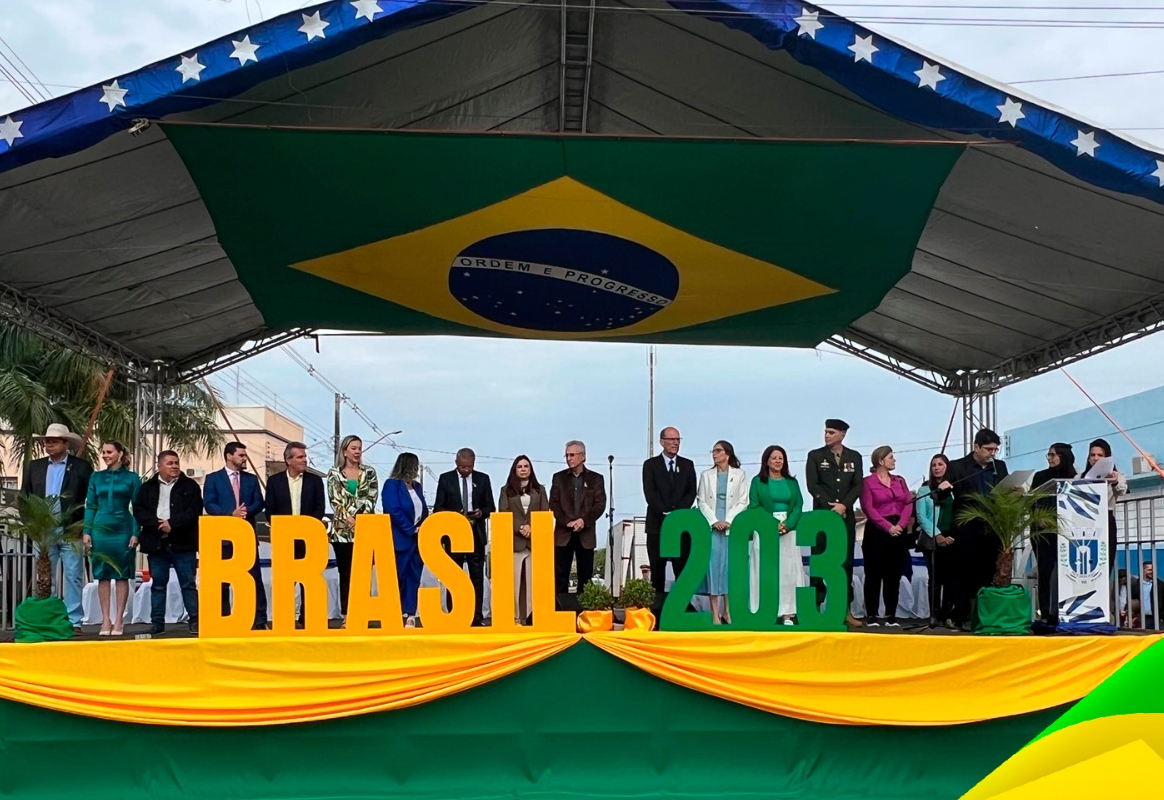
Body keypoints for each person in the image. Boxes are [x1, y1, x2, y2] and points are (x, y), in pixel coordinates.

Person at [19, 423, 94, 633]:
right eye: (47, 442)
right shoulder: (34, 467)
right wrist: (31, 525)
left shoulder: (81, 467)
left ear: (65, 443)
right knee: (44, 577)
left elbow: (91, 499)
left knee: (73, 575)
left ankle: (73, 621)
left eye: (53, 441)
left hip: (71, 529)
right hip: (43, 532)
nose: (49, 445)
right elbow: (24, 497)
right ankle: (47, 618)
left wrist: (84, 526)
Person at [134, 450, 203, 635]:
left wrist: (172, 524)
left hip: (183, 542)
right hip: (156, 542)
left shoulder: (190, 486)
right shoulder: (147, 487)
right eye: (170, 463)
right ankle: (157, 623)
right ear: (159, 466)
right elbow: (139, 511)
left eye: (176, 463)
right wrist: (158, 525)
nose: (174, 466)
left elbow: (195, 510)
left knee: (188, 584)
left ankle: (195, 621)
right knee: (158, 584)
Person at [945, 428, 1009, 628]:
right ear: (976, 447)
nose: (992, 453)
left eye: (995, 450)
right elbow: (941, 494)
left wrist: (1013, 491)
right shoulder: (958, 466)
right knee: (963, 573)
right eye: (989, 449)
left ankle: (984, 617)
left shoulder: (999, 466)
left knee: (987, 572)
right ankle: (961, 616)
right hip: (966, 527)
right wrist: (942, 489)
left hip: (991, 528)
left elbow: (1004, 492)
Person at [804, 419, 864, 627]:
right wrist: (829, 506)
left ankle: (844, 609)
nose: (827, 435)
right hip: (822, 517)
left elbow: (858, 485)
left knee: (845, 563)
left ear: (842, 435)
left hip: (845, 517)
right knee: (819, 561)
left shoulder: (854, 457)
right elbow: (812, 484)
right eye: (826, 432)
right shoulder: (815, 456)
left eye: (831, 432)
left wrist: (844, 505)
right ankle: (815, 608)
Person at [204, 441, 268, 630]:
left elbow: (259, 502)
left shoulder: (251, 479)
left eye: (244, 455)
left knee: (254, 579)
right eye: (241, 455)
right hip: (224, 538)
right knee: (222, 581)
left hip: (246, 536)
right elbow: (209, 503)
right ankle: (223, 618)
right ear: (229, 456)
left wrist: (245, 513)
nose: (244, 458)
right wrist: (230, 514)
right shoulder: (213, 478)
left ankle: (259, 619)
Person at [82, 441, 141, 637]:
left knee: (122, 574)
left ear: (120, 453)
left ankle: (119, 619)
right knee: (102, 574)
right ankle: (105, 619)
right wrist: (87, 531)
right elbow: (91, 505)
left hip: (123, 528)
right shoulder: (96, 477)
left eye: (109, 452)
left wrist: (136, 532)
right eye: (103, 452)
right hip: (100, 528)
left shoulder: (132, 478)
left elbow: (138, 507)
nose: (105, 455)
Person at [265, 441, 327, 625]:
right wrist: (284, 529)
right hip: (284, 540)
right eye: (300, 457)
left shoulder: (314, 481)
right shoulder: (274, 482)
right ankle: (285, 618)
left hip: (308, 539)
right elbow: (270, 510)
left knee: (308, 580)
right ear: (288, 460)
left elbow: (319, 508)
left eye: (304, 456)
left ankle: (308, 618)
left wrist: (306, 528)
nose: (304, 460)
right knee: (286, 581)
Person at [434, 448, 495, 626]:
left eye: (469, 467)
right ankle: (454, 614)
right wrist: (455, 515)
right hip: (454, 534)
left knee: (477, 577)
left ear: (474, 464)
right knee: (453, 576)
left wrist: (480, 513)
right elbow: (438, 507)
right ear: (456, 463)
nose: (466, 470)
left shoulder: (483, 479)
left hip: (476, 533)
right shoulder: (446, 479)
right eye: (462, 467)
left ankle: (476, 616)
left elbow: (491, 507)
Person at [749, 445, 806, 625]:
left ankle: (787, 613)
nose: (777, 461)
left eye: (780, 458)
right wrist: (773, 525)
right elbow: (754, 506)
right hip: (765, 531)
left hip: (788, 531)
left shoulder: (792, 482)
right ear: (766, 461)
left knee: (788, 573)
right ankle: (764, 611)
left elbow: (798, 505)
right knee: (766, 572)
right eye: (774, 458)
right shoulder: (757, 482)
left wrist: (787, 525)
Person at [859, 446, 914, 627]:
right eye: (891, 457)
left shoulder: (900, 481)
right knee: (873, 573)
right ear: (881, 461)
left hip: (898, 529)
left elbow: (908, 503)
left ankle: (891, 615)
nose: (894, 460)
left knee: (894, 573)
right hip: (877, 530)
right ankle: (872, 614)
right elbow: (868, 508)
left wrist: (901, 525)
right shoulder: (868, 482)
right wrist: (887, 527)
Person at [695, 440, 749, 624]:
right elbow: (701, 501)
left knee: (728, 567)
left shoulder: (739, 475)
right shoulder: (706, 475)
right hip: (712, 525)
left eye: (718, 451)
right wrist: (714, 521)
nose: (714, 454)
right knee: (713, 566)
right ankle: (714, 612)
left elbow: (743, 501)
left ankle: (727, 610)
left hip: (730, 526)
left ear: (727, 454)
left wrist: (729, 520)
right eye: (713, 451)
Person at [326, 435, 378, 622]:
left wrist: (358, 519)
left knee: (363, 574)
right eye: (353, 448)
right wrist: (348, 518)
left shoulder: (369, 472)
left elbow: (371, 498)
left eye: (359, 448)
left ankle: (363, 613)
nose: (357, 452)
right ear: (345, 451)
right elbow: (334, 500)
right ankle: (347, 615)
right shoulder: (334, 473)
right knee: (346, 573)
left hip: (364, 529)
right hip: (342, 533)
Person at [642, 427, 697, 595]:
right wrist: (665, 513)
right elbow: (650, 493)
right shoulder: (651, 465)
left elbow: (691, 492)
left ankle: (682, 606)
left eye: (678, 440)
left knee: (681, 569)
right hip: (657, 526)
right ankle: (657, 607)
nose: (675, 443)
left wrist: (676, 516)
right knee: (657, 570)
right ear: (662, 442)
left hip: (680, 527)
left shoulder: (687, 465)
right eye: (671, 439)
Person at [549, 440, 606, 595]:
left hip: (585, 534)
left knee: (585, 578)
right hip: (563, 534)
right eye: (567, 455)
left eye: (572, 455)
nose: (569, 458)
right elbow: (554, 503)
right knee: (560, 577)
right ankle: (560, 608)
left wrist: (583, 521)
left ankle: (582, 609)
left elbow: (599, 505)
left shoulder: (596, 479)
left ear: (583, 456)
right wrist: (568, 521)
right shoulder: (559, 478)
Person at [498, 455, 549, 625]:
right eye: (519, 466)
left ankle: (531, 617)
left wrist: (532, 528)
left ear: (531, 469)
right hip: (515, 542)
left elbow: (545, 511)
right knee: (514, 583)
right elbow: (503, 512)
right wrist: (521, 528)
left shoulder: (540, 490)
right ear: (514, 469)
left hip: (534, 542)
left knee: (532, 583)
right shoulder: (506, 490)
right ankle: (515, 618)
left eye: (526, 466)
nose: (523, 469)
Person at [1030, 443, 1076, 626]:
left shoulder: (1074, 477)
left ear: (1063, 456)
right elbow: (1033, 501)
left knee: (1068, 571)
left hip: (1068, 531)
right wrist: (1040, 517)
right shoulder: (1041, 476)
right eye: (1048, 455)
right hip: (1044, 531)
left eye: (1053, 455)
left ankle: (1067, 611)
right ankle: (1046, 613)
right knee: (1045, 572)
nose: (1049, 458)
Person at [381, 453, 428, 627]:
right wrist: (410, 529)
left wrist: (422, 527)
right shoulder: (391, 485)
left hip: (417, 541)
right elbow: (392, 510)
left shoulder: (417, 487)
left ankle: (410, 614)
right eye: (414, 465)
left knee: (413, 578)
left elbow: (423, 510)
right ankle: (395, 613)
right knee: (398, 578)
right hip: (400, 539)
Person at [916, 454, 956, 626]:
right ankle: (934, 614)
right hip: (932, 537)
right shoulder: (925, 490)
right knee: (935, 578)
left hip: (952, 537)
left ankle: (948, 614)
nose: (937, 468)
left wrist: (952, 535)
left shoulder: (955, 488)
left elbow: (959, 513)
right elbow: (921, 516)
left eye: (940, 464)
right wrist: (937, 535)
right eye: (934, 465)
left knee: (950, 578)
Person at [1080, 438, 1126, 571]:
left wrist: (1114, 481)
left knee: (1105, 560)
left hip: (1105, 519)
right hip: (1084, 521)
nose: (1096, 458)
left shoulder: (1116, 476)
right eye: (1092, 455)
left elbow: (1122, 490)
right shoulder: (1079, 477)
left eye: (1100, 455)